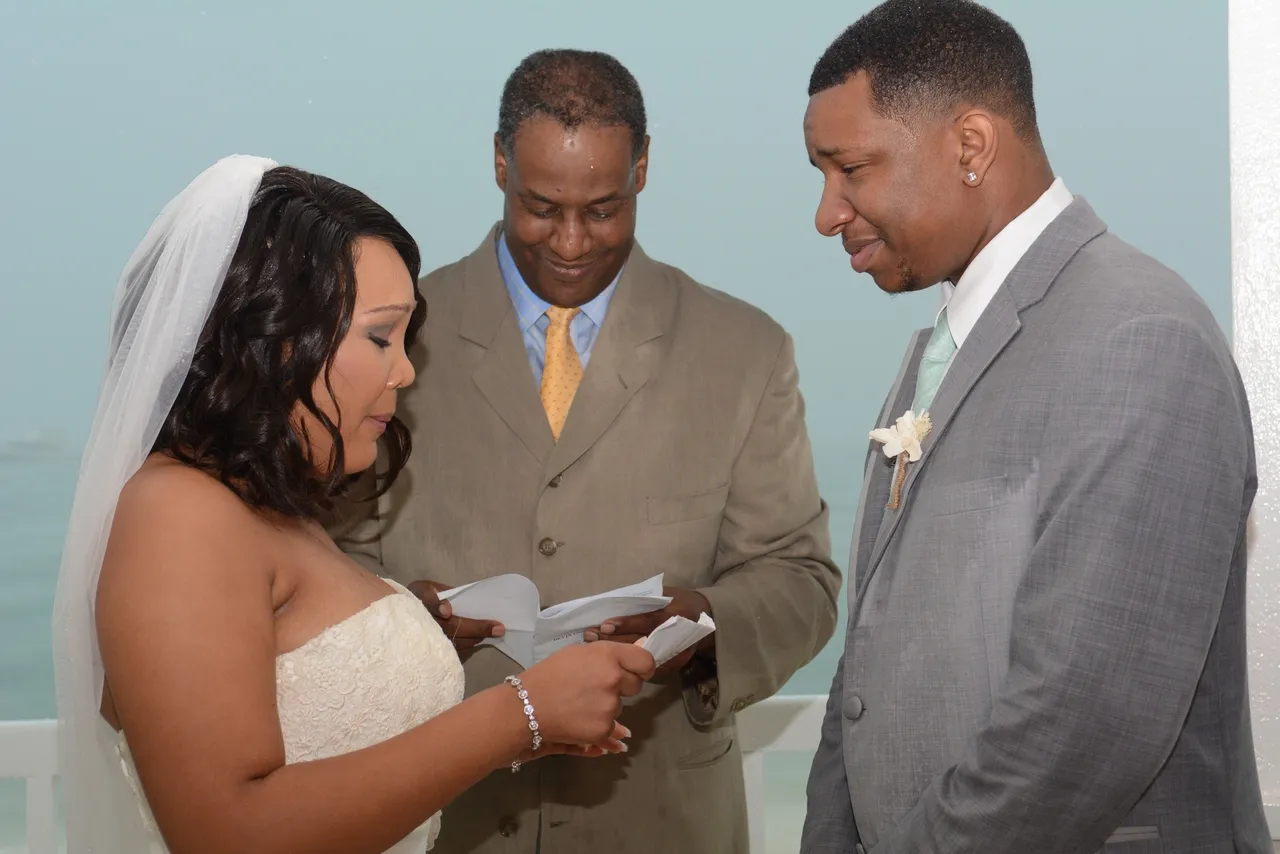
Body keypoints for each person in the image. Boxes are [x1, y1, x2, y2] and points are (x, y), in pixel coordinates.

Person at [50, 156, 656, 854]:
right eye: (379, 336)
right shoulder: (175, 513)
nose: (404, 370)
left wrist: (415, 633)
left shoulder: (267, 508)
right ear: (273, 337)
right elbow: (224, 830)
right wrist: (519, 716)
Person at [330, 49, 841, 853]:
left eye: (603, 209)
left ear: (644, 169)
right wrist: (406, 621)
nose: (570, 241)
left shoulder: (747, 351)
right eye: (539, 207)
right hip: (442, 816)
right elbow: (323, 562)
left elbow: (801, 580)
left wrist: (702, 624)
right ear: (498, 163)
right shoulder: (398, 333)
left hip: (662, 820)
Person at [799, 2, 1272, 852]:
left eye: (852, 170)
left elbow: (1083, 723)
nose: (828, 214)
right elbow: (863, 673)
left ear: (971, 146)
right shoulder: (941, 346)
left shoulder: (1140, 338)